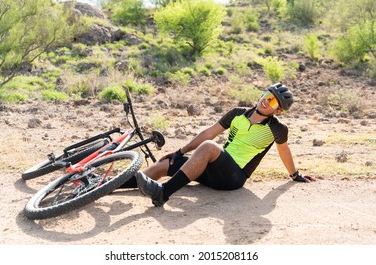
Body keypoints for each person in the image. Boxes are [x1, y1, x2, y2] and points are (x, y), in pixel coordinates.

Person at [134, 83, 315, 207]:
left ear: (279, 110)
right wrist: (179, 152)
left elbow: (284, 151)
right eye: (267, 95)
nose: (266, 101)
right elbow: (209, 132)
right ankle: (109, 185)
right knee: (166, 163)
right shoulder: (237, 113)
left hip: (233, 178)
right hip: (215, 171)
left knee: (209, 147)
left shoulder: (277, 128)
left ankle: (162, 193)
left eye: (273, 101)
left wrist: (295, 175)